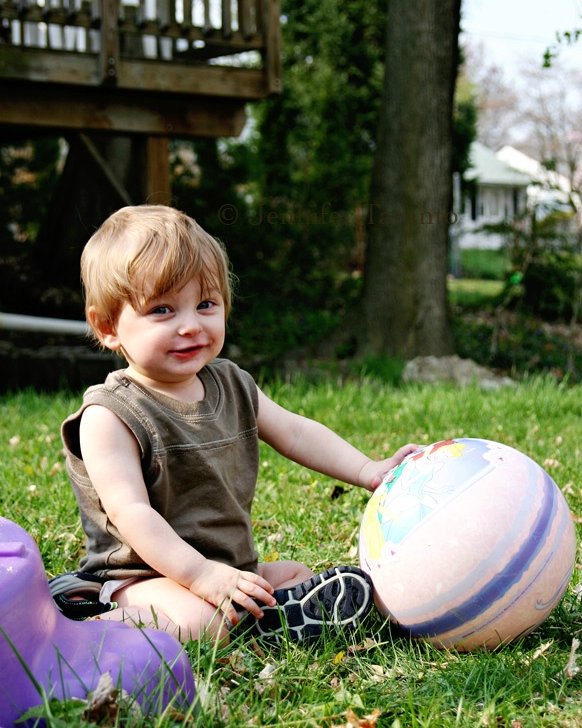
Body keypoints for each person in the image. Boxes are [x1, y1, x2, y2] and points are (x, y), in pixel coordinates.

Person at [50, 204, 417, 645]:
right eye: (164, 310)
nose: (191, 326)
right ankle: (72, 625)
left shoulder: (231, 383)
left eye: (205, 304)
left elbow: (296, 432)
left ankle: (266, 622)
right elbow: (132, 514)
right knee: (199, 623)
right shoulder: (109, 416)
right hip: (140, 578)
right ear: (107, 326)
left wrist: (366, 470)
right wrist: (201, 574)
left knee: (295, 576)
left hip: (228, 568)